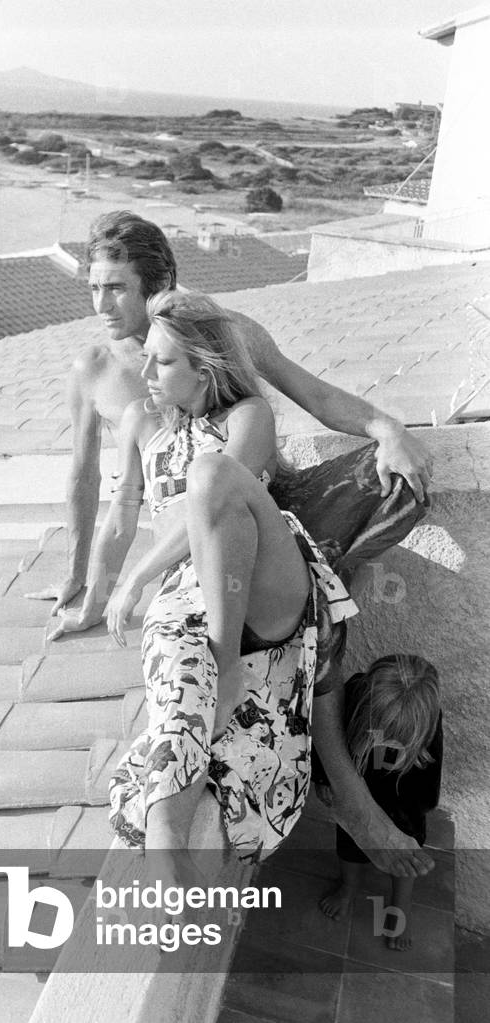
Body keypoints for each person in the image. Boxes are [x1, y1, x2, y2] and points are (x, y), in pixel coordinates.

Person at [30, 211, 435, 878]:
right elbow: (93, 489)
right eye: (93, 288)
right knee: (223, 661)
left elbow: (313, 393)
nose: (101, 305)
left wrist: (386, 426)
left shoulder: (225, 337)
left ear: (160, 283)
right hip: (185, 565)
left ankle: (342, 774)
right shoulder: (99, 371)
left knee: (371, 527)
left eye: (117, 288)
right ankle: (207, 819)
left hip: (261, 525)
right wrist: (83, 587)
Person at [47, 289, 358, 864]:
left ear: (205, 367)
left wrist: (136, 576)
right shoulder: (142, 423)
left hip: (260, 579)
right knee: (179, 688)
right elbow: (120, 515)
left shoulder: (248, 415)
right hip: (182, 595)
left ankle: (226, 661)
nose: (144, 373)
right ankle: (167, 828)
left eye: (161, 362)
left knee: (211, 475)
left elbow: (212, 503)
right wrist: (96, 594)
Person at [316, 655, 443, 950]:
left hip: (404, 803)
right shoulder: (354, 692)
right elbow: (326, 737)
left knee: (405, 855)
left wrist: (405, 818)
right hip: (357, 791)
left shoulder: (430, 723)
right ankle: (348, 886)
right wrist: (325, 779)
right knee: (349, 844)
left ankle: (400, 904)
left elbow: (429, 787)